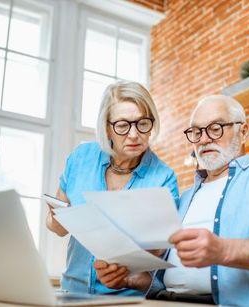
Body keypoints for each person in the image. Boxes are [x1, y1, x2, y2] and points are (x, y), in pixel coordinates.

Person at [95, 95, 249, 306]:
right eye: (196, 132)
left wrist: (223, 250)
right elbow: (173, 278)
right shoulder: (186, 197)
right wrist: (130, 279)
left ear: (243, 131)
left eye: (216, 128)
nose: (204, 139)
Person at [46, 81, 179, 296]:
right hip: (72, 291)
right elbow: (57, 227)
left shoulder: (164, 178)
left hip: (126, 298)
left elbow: (160, 250)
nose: (134, 134)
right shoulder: (81, 158)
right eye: (123, 125)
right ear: (107, 127)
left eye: (142, 123)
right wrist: (55, 218)